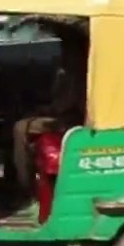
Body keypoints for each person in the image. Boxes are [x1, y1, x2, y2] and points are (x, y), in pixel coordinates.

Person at [12, 25, 87, 192]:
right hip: (64, 115)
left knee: (20, 128)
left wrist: (45, 110)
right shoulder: (67, 70)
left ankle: (24, 185)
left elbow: (65, 104)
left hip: (70, 120)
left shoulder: (77, 71)